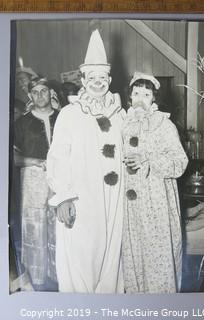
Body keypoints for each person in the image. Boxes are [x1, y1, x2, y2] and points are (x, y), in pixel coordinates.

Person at [47, 29, 125, 293]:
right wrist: (64, 197)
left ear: (110, 79)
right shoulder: (69, 114)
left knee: (111, 259)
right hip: (81, 198)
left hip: (114, 201)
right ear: (82, 79)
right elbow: (57, 156)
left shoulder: (120, 113)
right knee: (82, 257)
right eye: (92, 78)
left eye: (102, 78)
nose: (98, 82)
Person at [122, 72, 188, 293]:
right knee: (134, 255)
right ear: (129, 96)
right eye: (137, 92)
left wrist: (149, 161)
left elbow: (180, 162)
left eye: (146, 94)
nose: (140, 98)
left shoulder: (164, 125)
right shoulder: (123, 123)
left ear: (154, 99)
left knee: (157, 254)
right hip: (129, 206)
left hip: (156, 200)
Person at [14, 77, 59, 290]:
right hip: (32, 179)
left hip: (60, 179)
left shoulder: (63, 118)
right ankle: (36, 280)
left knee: (60, 226)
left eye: (44, 90)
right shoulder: (21, 123)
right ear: (30, 95)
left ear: (51, 93)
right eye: (36, 92)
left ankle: (60, 275)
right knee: (33, 227)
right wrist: (34, 162)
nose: (40, 95)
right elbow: (10, 158)